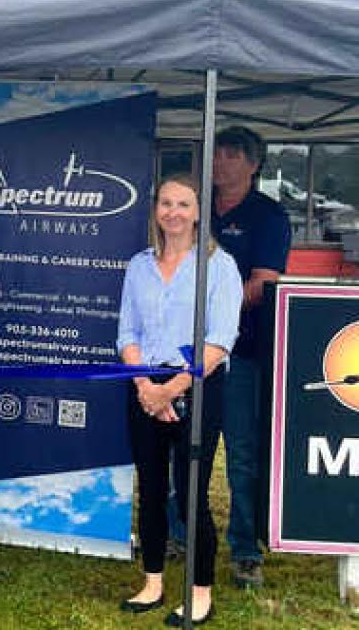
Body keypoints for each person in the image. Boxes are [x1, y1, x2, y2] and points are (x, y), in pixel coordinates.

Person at [116, 173, 243, 626]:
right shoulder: (139, 266)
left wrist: (171, 389)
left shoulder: (219, 267)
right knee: (150, 489)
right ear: (156, 209)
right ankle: (152, 583)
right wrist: (145, 387)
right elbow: (127, 333)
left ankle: (199, 593)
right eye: (166, 203)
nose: (173, 212)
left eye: (183, 204)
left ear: (198, 212)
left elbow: (220, 340)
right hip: (143, 385)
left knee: (191, 494)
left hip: (197, 386)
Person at [211, 126, 291, 589]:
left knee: (241, 454)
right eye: (216, 154)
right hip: (186, 350)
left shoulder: (269, 215)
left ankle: (245, 550)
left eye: (231, 156)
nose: (220, 163)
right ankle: (178, 534)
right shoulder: (196, 206)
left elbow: (264, 282)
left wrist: (209, 312)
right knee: (185, 447)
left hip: (242, 353)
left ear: (253, 164)